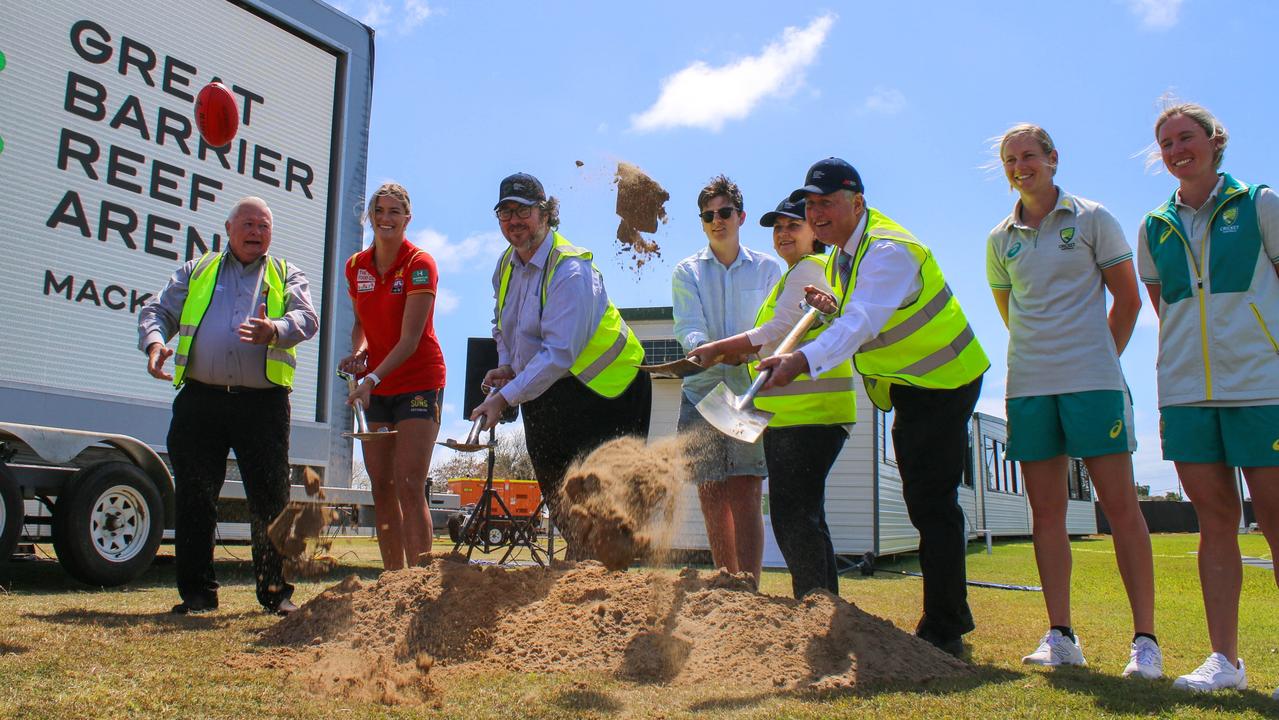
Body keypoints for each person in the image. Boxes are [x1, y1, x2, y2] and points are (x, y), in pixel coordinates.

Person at [757, 158, 989, 657]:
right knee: (923, 500)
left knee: (933, 501)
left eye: (827, 203)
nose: (816, 213)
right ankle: (944, 618)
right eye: (811, 204)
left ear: (856, 201)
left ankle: (945, 629)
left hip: (945, 378)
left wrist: (800, 359)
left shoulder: (887, 250)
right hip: (911, 385)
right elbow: (862, 314)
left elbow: (862, 323)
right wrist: (834, 307)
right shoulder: (846, 254)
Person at [987, 124, 1159, 677]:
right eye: (1011, 160)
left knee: (1120, 509)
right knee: (1047, 515)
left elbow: (1129, 300)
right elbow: (1013, 316)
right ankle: (1061, 634)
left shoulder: (1093, 219)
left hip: (1094, 384)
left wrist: (1096, 358)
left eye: (1030, 156)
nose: (1021, 167)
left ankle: (1146, 642)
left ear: (1053, 159)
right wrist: (1050, 360)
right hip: (1030, 388)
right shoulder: (999, 240)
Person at [1138, 103, 1279, 695]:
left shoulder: (1261, 204)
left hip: (1262, 386)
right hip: (1187, 395)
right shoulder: (1154, 226)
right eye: (1166, 143)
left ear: (1215, 141)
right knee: (1215, 523)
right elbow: (1163, 309)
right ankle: (1226, 661)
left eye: (1186, 138)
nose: (1176, 150)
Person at [138, 196, 318, 616]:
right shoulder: (196, 270)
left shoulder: (286, 273)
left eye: (264, 226)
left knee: (270, 500)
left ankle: (276, 594)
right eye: (249, 224)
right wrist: (153, 343)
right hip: (201, 401)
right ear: (229, 229)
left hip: (264, 404)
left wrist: (276, 328)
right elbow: (157, 309)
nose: (257, 232)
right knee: (196, 496)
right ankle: (198, 595)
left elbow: (307, 318)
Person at [470, 172, 651, 560]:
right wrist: (507, 366)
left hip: (610, 389)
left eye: (524, 211)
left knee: (598, 497)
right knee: (557, 489)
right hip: (552, 387)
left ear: (547, 214)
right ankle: (582, 569)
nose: (514, 220)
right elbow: (503, 327)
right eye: (506, 212)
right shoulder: (505, 265)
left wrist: (503, 398)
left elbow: (558, 353)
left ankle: (602, 582)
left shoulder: (570, 269)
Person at [688, 198, 855, 598]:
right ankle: (824, 604)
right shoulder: (794, 275)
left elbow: (777, 327)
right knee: (806, 517)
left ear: (815, 231)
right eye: (777, 228)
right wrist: (748, 352)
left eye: (793, 226)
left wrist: (716, 348)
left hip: (811, 415)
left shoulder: (812, 269)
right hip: (795, 416)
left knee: (794, 517)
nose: (783, 234)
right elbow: (776, 336)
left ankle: (816, 606)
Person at [672, 175, 782, 583]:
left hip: (746, 393)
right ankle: (725, 581)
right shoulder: (687, 271)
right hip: (702, 393)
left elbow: (773, 327)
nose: (717, 221)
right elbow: (689, 327)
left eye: (724, 213)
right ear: (702, 222)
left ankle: (749, 585)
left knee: (746, 490)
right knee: (711, 492)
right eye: (708, 215)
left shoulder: (768, 268)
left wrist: (744, 351)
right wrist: (706, 348)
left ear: (741, 216)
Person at [339, 183, 445, 570]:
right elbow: (360, 324)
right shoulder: (355, 266)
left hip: (417, 380)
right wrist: (360, 355)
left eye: (394, 212)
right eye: (379, 211)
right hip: (376, 385)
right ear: (369, 216)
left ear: (407, 218)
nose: (385, 218)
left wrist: (372, 379)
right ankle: (391, 583)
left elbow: (410, 339)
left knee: (408, 483)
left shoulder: (419, 263)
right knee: (381, 485)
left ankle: (419, 581)